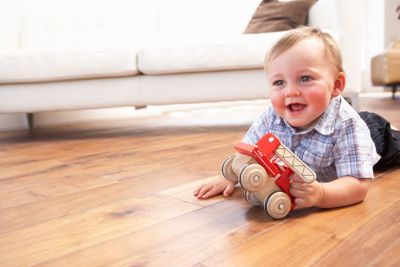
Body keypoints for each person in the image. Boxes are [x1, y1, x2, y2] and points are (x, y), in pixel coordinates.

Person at [193, 26, 382, 210]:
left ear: (337, 85)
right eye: (279, 82)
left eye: (305, 78)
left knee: (384, 135)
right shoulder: (271, 117)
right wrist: (230, 175)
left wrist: (322, 194)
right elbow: (247, 153)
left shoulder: (348, 125)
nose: (290, 91)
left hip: (375, 134)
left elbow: (358, 185)